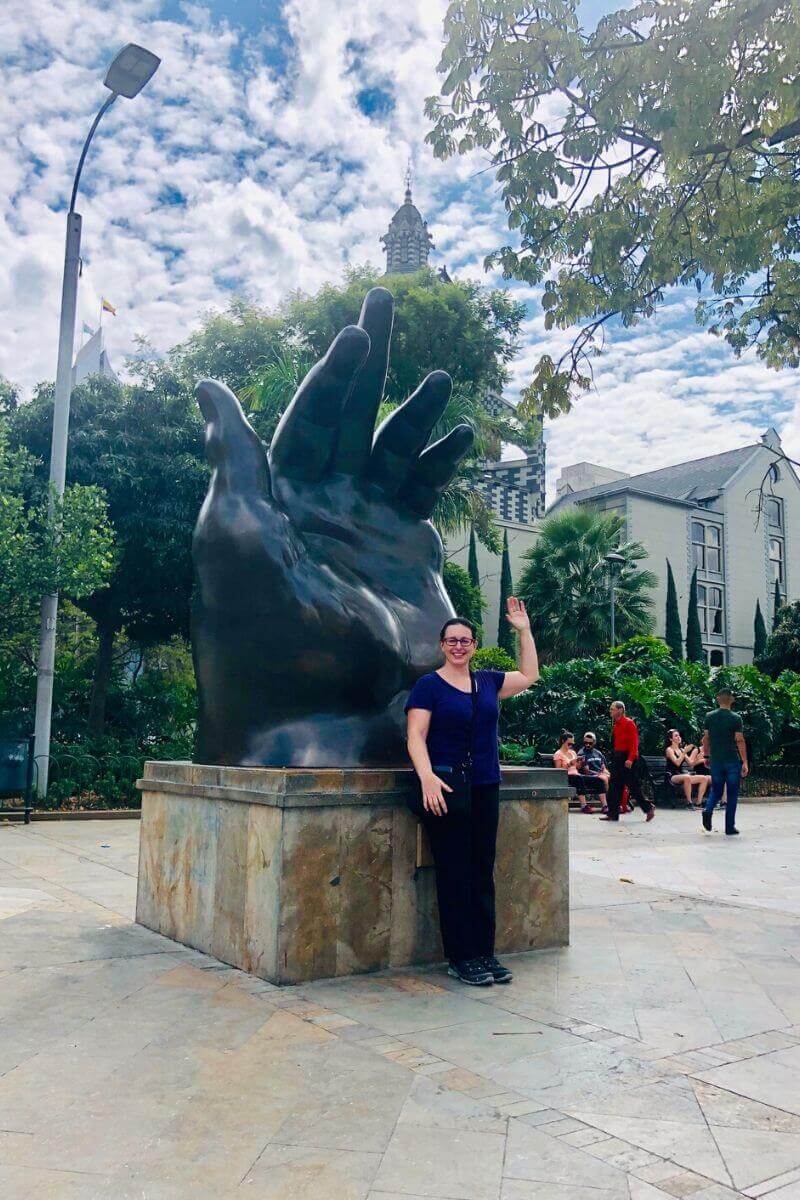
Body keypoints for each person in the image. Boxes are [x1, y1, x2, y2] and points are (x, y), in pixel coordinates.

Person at [405, 598, 539, 987]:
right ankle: (461, 957)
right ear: (442, 646)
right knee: (454, 872)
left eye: (465, 640)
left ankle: (484, 952)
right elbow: (416, 735)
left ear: (474, 645)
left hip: (484, 785)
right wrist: (427, 777)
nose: (459, 646)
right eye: (452, 641)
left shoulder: (488, 683)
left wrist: (523, 630)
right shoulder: (429, 686)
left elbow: (530, 675)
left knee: (482, 869)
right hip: (445, 788)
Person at [701, 688, 749, 835]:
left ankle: (708, 810)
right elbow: (739, 740)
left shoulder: (709, 716)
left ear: (718, 699)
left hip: (716, 760)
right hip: (732, 760)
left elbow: (706, 738)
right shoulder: (736, 718)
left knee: (716, 789)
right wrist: (745, 761)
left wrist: (707, 756)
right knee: (732, 793)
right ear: (731, 699)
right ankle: (729, 827)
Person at [602, 701, 655, 823]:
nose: (610, 711)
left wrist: (630, 759)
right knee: (614, 786)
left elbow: (634, 743)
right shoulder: (615, 725)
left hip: (627, 758)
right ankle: (612, 814)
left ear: (620, 710)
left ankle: (648, 808)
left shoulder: (629, 723)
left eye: (612, 709)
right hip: (617, 758)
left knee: (633, 786)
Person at [665, 729, 711, 807]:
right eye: (676, 736)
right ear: (670, 739)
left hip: (681, 774)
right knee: (687, 777)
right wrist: (684, 752)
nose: (679, 737)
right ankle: (689, 803)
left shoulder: (681, 750)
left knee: (704, 778)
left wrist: (697, 758)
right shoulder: (669, 750)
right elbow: (677, 763)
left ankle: (698, 803)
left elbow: (691, 764)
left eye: (679, 735)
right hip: (671, 775)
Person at [576, 732, 610, 814]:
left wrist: (606, 773)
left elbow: (603, 766)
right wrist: (599, 774)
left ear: (594, 742)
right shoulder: (581, 753)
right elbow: (586, 771)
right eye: (585, 743)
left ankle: (616, 804)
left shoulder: (598, 753)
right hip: (589, 778)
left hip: (600, 775)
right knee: (603, 779)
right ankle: (607, 805)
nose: (587, 745)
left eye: (590, 743)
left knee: (616, 779)